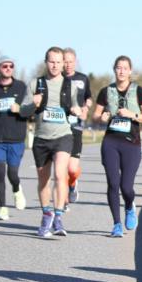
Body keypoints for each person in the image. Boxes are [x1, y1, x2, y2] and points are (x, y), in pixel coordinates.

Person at [93, 55, 142, 237]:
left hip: (131, 143)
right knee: (113, 183)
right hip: (111, 141)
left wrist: (132, 114)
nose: (121, 71)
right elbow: (95, 115)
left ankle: (129, 206)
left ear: (130, 71)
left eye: (125, 68)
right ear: (114, 70)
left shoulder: (138, 91)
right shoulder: (106, 91)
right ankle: (116, 224)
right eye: (118, 67)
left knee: (126, 187)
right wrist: (100, 117)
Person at [30, 46, 84, 238]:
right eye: (51, 61)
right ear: (46, 62)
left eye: (58, 62)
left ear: (63, 64)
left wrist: (77, 110)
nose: (54, 65)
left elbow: (76, 105)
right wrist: (32, 104)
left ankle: (58, 217)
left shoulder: (69, 85)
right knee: (43, 180)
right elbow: (22, 111)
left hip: (63, 136)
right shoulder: (35, 84)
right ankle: (46, 215)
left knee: (61, 175)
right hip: (41, 138)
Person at [0, 56, 33, 220]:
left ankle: (17, 189)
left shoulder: (21, 86)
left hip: (16, 137)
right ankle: (2, 207)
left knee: (12, 173)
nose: (8, 68)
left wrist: (20, 109)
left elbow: (30, 109)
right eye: (4, 66)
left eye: (11, 66)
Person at [62, 48, 93, 206]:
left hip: (77, 127)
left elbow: (89, 98)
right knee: (61, 167)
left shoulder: (83, 78)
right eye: (65, 61)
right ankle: (63, 201)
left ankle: (72, 185)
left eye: (71, 61)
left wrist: (86, 108)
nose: (68, 64)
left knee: (73, 169)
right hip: (59, 128)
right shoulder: (57, 79)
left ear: (75, 61)